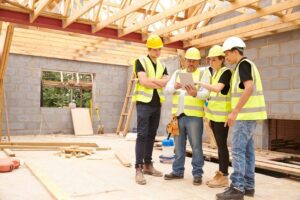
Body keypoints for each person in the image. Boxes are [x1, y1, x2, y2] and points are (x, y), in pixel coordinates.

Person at [216, 37, 267, 200]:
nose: (226, 58)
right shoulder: (245, 66)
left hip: (245, 116)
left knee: (238, 150)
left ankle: (237, 188)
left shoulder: (243, 65)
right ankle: (248, 186)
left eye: (227, 54)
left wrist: (235, 111)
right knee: (247, 152)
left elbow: (249, 87)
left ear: (235, 51)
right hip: (250, 115)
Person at [164, 47, 210, 185]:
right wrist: (175, 87)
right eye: (189, 61)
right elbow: (167, 90)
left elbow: (206, 94)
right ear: (184, 61)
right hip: (178, 116)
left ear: (198, 62)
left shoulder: (203, 74)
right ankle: (177, 171)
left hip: (194, 116)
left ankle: (197, 174)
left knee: (196, 146)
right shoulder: (178, 73)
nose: (191, 63)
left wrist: (195, 93)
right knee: (178, 146)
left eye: (194, 61)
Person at [132, 34, 169, 185]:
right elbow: (143, 81)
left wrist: (153, 81)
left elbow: (166, 82)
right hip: (143, 103)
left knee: (151, 134)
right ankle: (138, 168)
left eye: (159, 49)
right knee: (142, 134)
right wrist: (158, 82)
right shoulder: (140, 61)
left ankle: (148, 164)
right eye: (155, 50)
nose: (158, 52)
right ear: (149, 49)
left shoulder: (162, 64)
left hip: (156, 103)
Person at [200, 45, 232, 188]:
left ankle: (224, 176)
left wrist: (201, 83)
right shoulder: (216, 73)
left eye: (214, 60)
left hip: (221, 117)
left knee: (222, 146)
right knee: (219, 146)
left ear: (221, 59)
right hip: (214, 116)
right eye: (210, 60)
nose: (211, 63)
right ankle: (221, 173)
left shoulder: (226, 72)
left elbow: (218, 89)